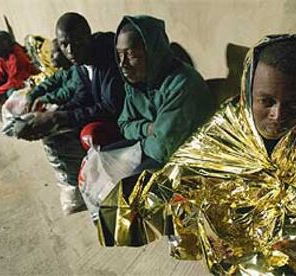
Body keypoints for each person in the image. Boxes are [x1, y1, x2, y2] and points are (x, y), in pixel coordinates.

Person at [97, 34, 296, 274]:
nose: (278, 115)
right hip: (239, 220)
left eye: (293, 103)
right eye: (267, 101)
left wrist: (246, 246)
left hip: (287, 239)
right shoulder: (234, 119)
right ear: (249, 93)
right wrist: (141, 204)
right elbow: (189, 163)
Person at [78, 15, 216, 245]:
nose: (122, 65)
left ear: (154, 52)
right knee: (98, 159)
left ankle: (176, 232)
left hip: (187, 161)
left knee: (128, 194)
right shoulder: (137, 82)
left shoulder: (182, 84)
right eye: (119, 55)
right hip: (154, 148)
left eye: (131, 55)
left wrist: (143, 135)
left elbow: (161, 148)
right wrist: (148, 127)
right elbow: (124, 125)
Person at [17, 12, 125, 215]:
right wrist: (56, 113)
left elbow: (111, 106)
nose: (70, 50)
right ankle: (80, 185)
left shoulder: (109, 57)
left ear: (88, 36)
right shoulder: (79, 65)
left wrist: (62, 117)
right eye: (64, 44)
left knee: (81, 131)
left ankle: (102, 184)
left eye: (77, 42)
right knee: (52, 132)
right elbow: (81, 97)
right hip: (105, 113)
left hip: (122, 120)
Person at [0, 31, 39, 103]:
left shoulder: (16, 56)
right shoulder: (2, 56)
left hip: (28, 83)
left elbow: (15, 82)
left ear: (0, 44)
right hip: (16, 82)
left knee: (11, 92)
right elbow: (0, 76)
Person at [25, 38, 78, 111]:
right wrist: (32, 95)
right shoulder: (63, 71)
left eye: (54, 52)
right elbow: (50, 82)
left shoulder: (77, 70)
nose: (51, 56)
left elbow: (67, 92)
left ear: (64, 52)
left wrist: (43, 99)